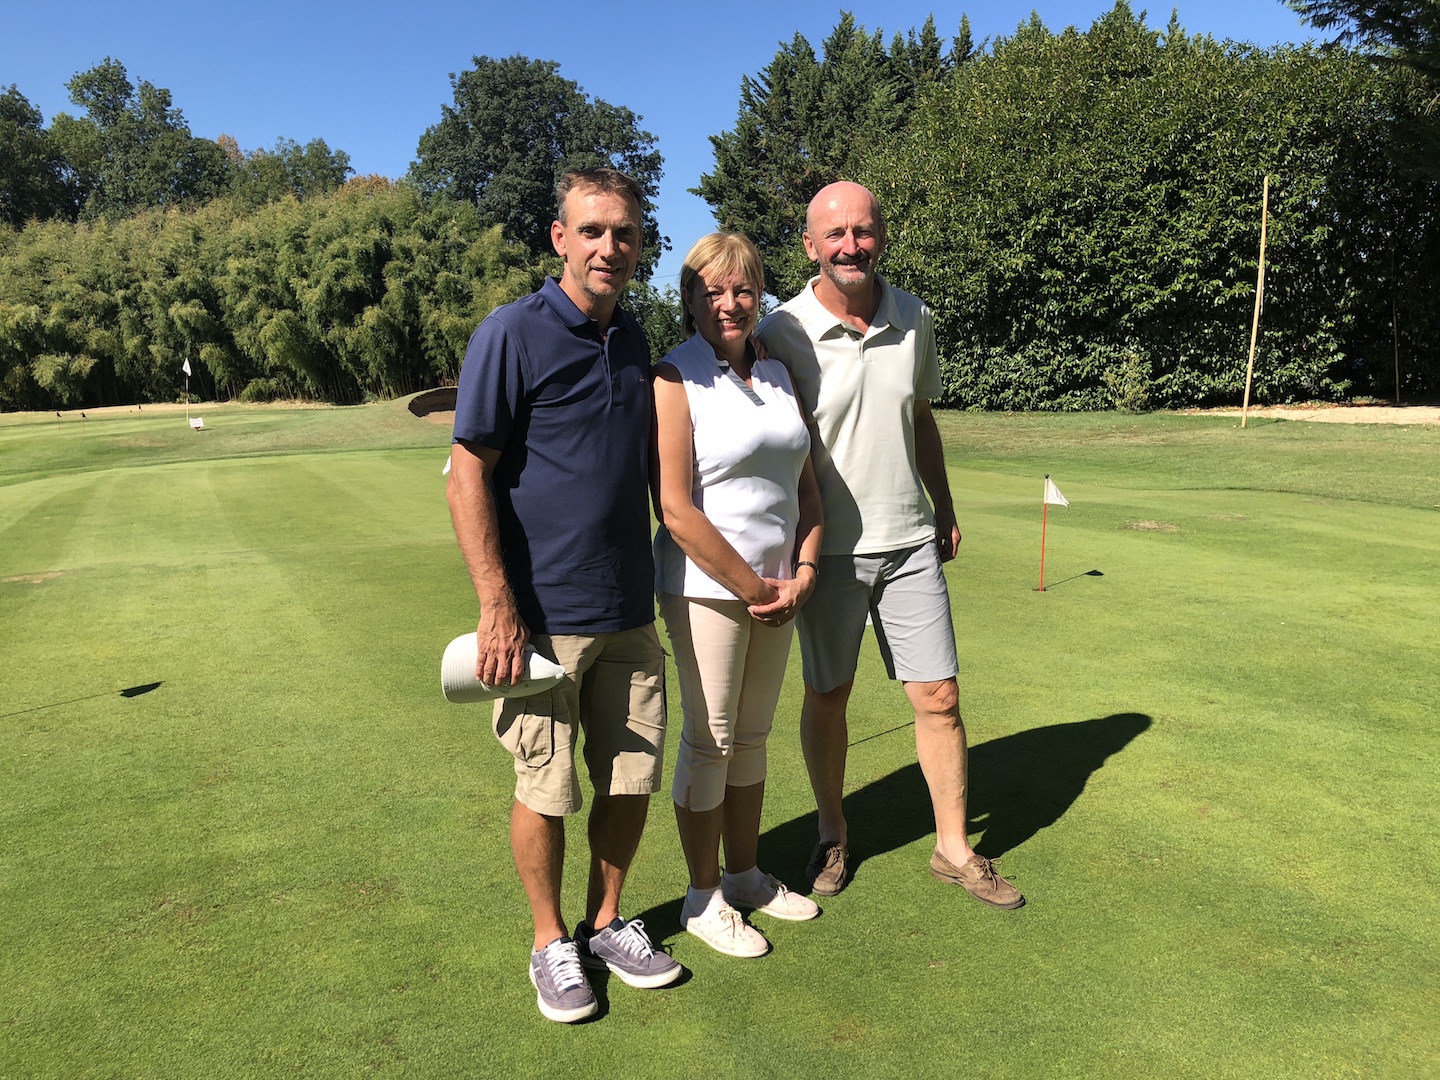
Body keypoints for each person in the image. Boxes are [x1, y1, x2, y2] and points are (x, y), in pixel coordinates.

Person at [447, 166, 680, 1024]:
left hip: (629, 610)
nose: (608, 247)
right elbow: (468, 473)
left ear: (638, 243)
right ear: (560, 238)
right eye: (592, 230)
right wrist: (497, 606)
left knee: (629, 778)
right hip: (543, 619)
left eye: (623, 232)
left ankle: (607, 921)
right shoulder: (512, 332)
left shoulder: (633, 339)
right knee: (546, 786)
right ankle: (551, 943)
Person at [756, 181, 1024, 910]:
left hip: (908, 539)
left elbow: (921, 418)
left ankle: (954, 848)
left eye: (863, 231)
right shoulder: (780, 329)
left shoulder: (914, 317)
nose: (851, 246)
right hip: (828, 549)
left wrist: (943, 504)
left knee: (938, 695)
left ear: (881, 235)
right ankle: (834, 831)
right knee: (828, 694)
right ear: (810, 246)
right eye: (835, 234)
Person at [651, 232, 825, 957]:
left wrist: (805, 571)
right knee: (712, 737)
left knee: (752, 737)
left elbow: (806, 487)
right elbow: (676, 508)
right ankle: (703, 895)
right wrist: (755, 586)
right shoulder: (674, 375)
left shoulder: (779, 373)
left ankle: (746, 873)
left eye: (743, 288)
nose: (729, 302)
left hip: (780, 588)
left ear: (760, 295)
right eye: (712, 290)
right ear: (690, 298)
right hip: (708, 590)